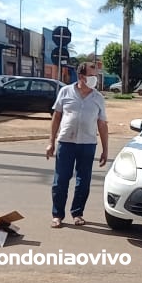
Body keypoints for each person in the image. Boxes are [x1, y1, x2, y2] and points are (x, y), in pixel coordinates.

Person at [46, 66, 109, 228]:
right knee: (60, 180)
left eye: (96, 76)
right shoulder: (65, 92)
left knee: (84, 181)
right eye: (91, 75)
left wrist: (105, 149)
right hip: (66, 142)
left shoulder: (98, 98)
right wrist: (51, 142)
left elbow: (102, 124)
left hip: (88, 144)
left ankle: (77, 213)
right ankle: (57, 215)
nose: (95, 78)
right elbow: (57, 116)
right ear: (81, 76)